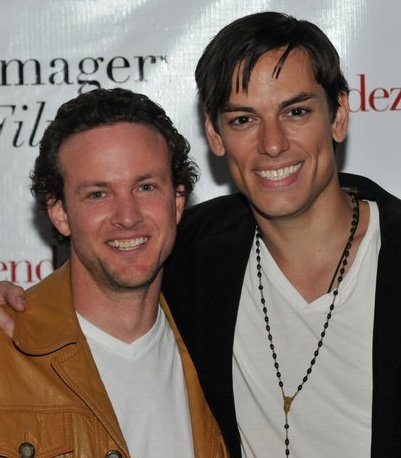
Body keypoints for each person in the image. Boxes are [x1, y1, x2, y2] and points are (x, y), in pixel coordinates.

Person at [1, 11, 401, 458]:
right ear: (214, 133)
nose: (273, 143)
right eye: (243, 120)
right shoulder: (195, 257)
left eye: (296, 111)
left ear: (339, 114)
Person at [0, 88, 227, 457]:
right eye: (98, 194)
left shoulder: (220, 349)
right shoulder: (9, 352)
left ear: (178, 201)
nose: (127, 216)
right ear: (60, 213)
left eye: (146, 186)